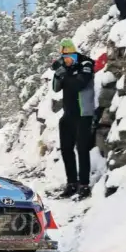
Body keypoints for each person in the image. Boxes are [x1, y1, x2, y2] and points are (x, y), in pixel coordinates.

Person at [51, 39, 95, 200]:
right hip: (68, 114)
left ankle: (84, 184)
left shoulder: (86, 63)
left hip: (83, 113)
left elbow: (80, 84)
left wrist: (66, 74)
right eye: (64, 57)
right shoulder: (66, 68)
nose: (67, 60)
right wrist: (57, 74)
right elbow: (56, 88)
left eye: (69, 56)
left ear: (74, 54)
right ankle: (71, 183)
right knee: (66, 149)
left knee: (82, 149)